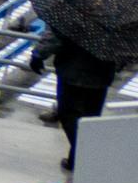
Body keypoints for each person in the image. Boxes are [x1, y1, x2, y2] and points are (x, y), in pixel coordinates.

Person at [33, 30, 124, 172]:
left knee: (68, 115)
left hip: (72, 71)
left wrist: (39, 54)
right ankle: (76, 158)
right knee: (90, 119)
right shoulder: (117, 14)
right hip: (102, 73)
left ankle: (80, 155)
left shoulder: (72, 11)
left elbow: (56, 35)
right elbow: (125, 44)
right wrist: (119, 64)